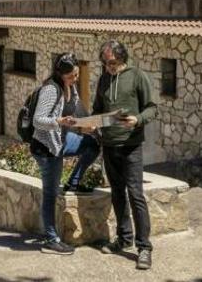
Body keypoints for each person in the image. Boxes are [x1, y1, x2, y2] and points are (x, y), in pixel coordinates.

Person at [93, 40, 156, 270]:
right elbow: (97, 111)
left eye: (112, 63)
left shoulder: (138, 76)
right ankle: (123, 238)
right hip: (110, 146)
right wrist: (92, 125)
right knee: (117, 194)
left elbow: (151, 108)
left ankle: (144, 248)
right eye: (105, 63)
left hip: (131, 145)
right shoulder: (103, 79)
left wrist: (137, 119)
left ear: (122, 59)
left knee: (135, 194)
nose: (108, 66)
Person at [31, 52, 100, 255]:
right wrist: (59, 122)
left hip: (61, 141)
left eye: (76, 75)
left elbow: (76, 112)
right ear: (60, 74)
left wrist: (86, 125)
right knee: (50, 193)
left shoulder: (70, 87)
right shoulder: (51, 90)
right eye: (71, 77)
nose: (74, 79)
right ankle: (51, 240)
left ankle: (73, 183)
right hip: (47, 148)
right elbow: (38, 120)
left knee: (92, 145)